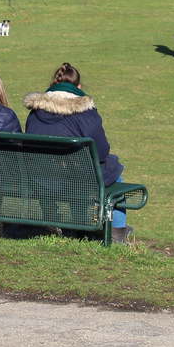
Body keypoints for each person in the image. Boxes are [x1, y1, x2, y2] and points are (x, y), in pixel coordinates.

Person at [23, 63, 133, 243]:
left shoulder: (35, 112)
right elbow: (102, 152)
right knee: (114, 173)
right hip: (76, 178)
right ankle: (117, 233)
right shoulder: (85, 112)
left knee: (68, 171)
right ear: (79, 87)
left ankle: (56, 221)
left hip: (41, 177)